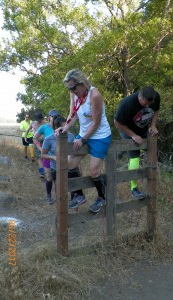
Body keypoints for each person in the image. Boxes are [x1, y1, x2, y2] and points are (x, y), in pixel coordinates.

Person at [55, 69, 111, 213]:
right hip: (84, 133)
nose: (72, 91)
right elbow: (73, 114)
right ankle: (79, 195)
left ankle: (102, 197)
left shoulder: (95, 95)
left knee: (94, 171)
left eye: (74, 88)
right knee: (69, 163)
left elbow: (96, 123)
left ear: (82, 83)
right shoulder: (74, 95)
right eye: (69, 89)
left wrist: (83, 140)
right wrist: (65, 127)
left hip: (99, 135)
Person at [114, 86, 160, 199]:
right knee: (135, 156)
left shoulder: (155, 97)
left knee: (153, 149)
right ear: (139, 96)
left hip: (142, 128)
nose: (147, 106)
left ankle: (123, 151)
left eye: (149, 104)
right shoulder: (127, 103)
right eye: (144, 104)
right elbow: (117, 123)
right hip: (127, 129)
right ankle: (134, 188)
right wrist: (133, 136)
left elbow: (156, 110)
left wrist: (153, 125)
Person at [41, 116, 85, 204]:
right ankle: (60, 209)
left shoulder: (71, 136)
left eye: (67, 126)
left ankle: (75, 209)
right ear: (57, 128)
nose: (66, 128)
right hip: (56, 168)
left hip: (70, 167)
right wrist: (53, 157)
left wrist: (79, 167)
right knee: (60, 190)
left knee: (73, 187)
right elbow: (43, 155)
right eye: (64, 126)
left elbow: (74, 153)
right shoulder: (48, 139)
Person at [33, 109, 59, 204]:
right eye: (53, 116)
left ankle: (58, 197)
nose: (55, 118)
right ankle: (48, 196)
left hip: (59, 158)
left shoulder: (62, 127)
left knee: (58, 179)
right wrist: (41, 149)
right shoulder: (44, 127)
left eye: (56, 116)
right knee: (49, 177)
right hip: (48, 157)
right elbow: (35, 138)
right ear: (49, 117)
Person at [25, 111, 46, 178]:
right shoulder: (32, 123)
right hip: (36, 142)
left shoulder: (45, 124)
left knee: (45, 156)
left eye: (40, 119)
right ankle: (42, 173)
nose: (39, 121)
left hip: (44, 142)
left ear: (42, 118)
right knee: (39, 158)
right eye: (38, 119)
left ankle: (47, 171)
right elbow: (27, 130)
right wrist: (25, 137)